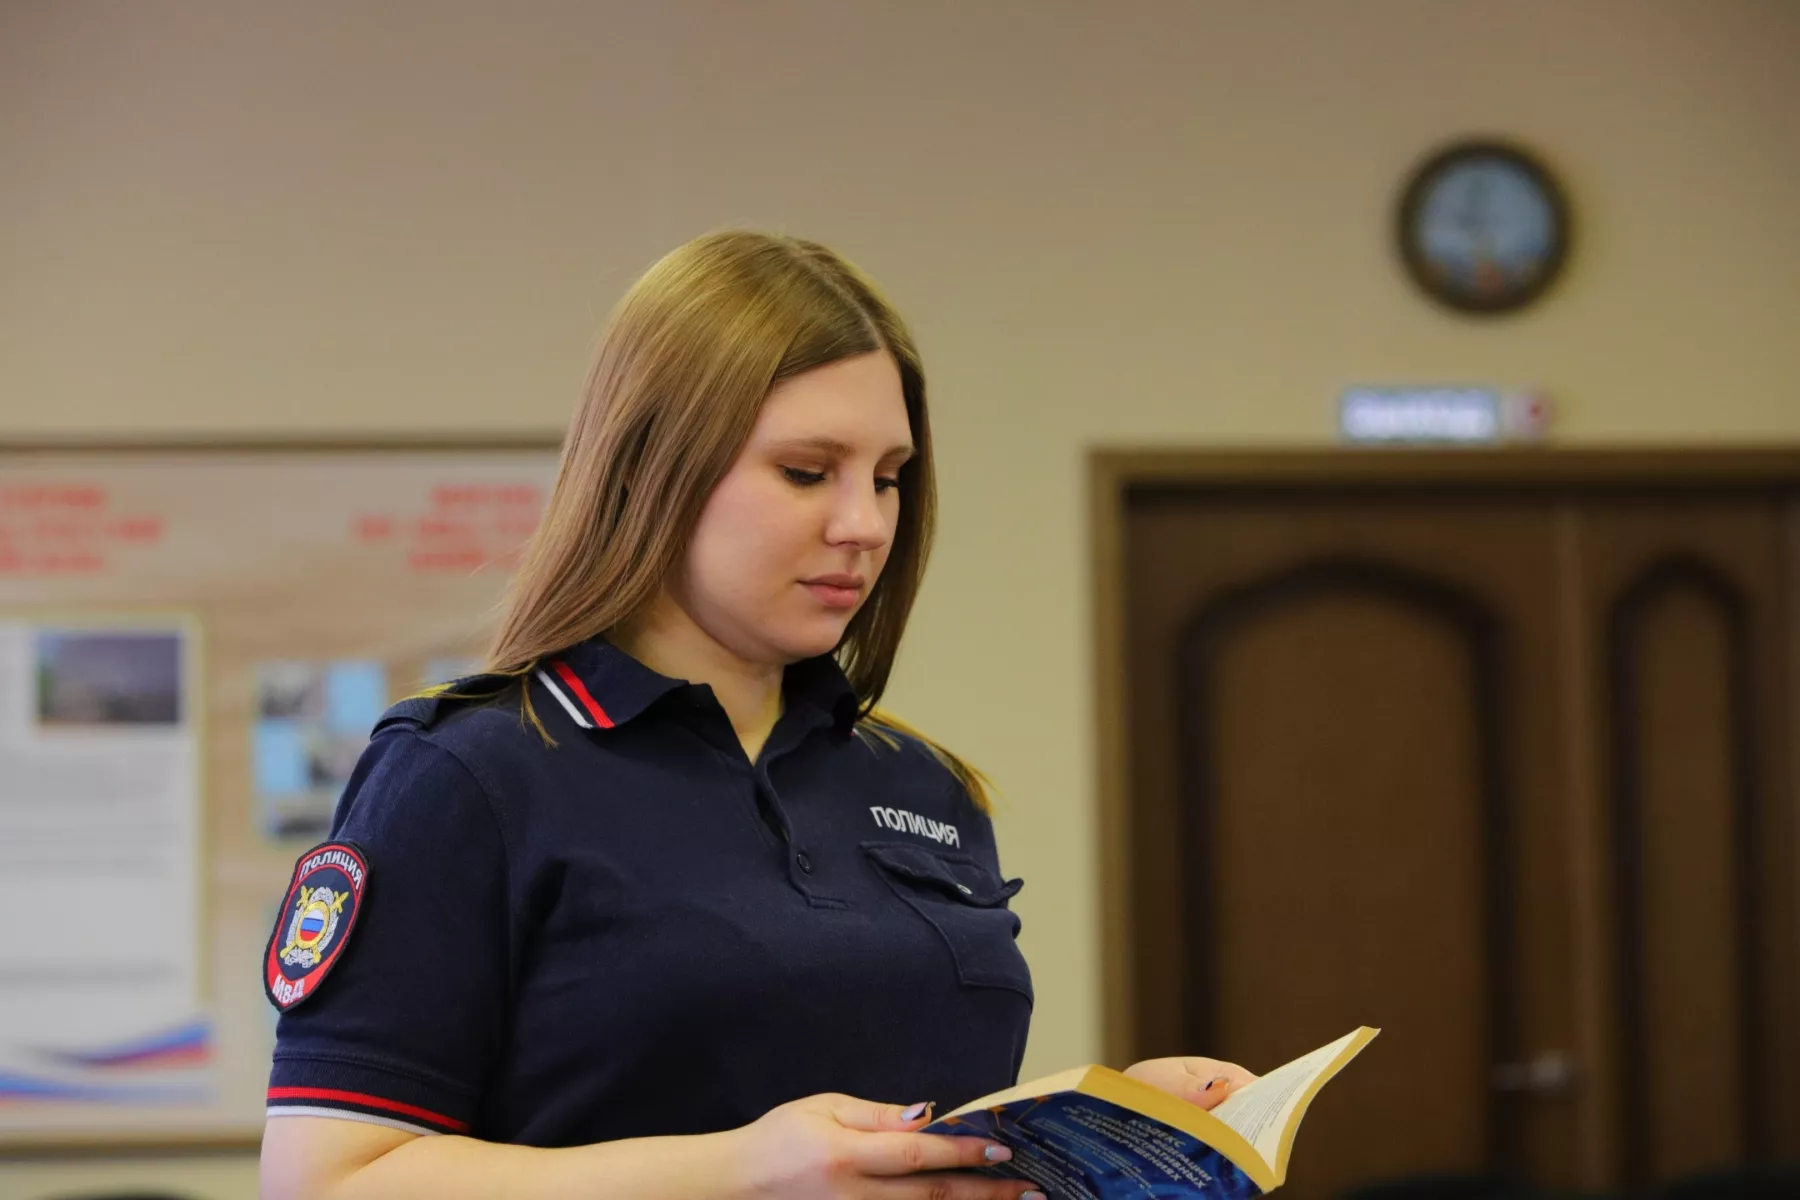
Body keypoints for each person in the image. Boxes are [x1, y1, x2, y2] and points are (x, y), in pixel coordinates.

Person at [258, 230, 1255, 1199]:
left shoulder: (921, 786)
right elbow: (326, 1182)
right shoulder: (473, 772)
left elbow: (907, 1143)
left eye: (889, 478)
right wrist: (744, 1173)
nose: (863, 524)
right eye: (806, 472)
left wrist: (1093, 1134)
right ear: (654, 465)